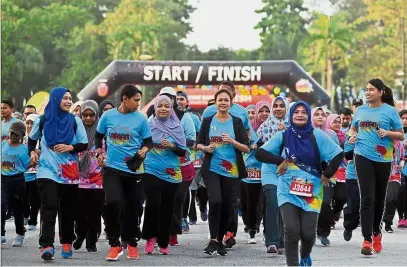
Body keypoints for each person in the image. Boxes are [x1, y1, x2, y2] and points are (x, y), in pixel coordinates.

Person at [255, 101, 342, 266]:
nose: (300, 115)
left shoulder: (318, 135)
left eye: (304, 112)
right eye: (296, 112)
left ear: (309, 115)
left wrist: (327, 174)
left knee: (308, 234)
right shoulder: (284, 135)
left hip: (312, 191)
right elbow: (260, 153)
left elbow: (338, 154)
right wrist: (279, 160)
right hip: (287, 189)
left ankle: (305, 255)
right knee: (291, 230)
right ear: (291, 115)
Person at [28, 87, 88, 260]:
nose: (69, 101)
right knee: (49, 206)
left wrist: (70, 147)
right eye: (65, 98)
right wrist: (32, 152)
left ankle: (67, 241)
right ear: (55, 99)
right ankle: (46, 245)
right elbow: (32, 141)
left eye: (70, 98)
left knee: (68, 210)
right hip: (47, 171)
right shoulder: (43, 119)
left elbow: (83, 144)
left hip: (69, 173)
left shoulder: (75, 121)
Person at [95, 85, 152, 261]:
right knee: (112, 203)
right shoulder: (108, 116)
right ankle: (114, 244)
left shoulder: (141, 119)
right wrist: (99, 151)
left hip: (133, 170)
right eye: (135, 100)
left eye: (139, 100)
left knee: (131, 209)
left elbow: (149, 141)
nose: (138, 103)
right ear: (124, 99)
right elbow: (99, 136)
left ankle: (132, 243)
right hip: (111, 168)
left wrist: (144, 150)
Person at [349, 78, 403, 255]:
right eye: (366, 89)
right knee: (367, 197)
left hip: (383, 158)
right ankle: (366, 240)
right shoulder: (360, 111)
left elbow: (401, 135)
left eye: (371, 89)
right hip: (362, 155)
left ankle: (376, 233)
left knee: (379, 199)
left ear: (380, 92)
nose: (367, 92)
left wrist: (387, 133)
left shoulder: (390, 111)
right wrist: (352, 136)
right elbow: (353, 128)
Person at [197, 88, 250, 256]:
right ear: (215, 102)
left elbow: (247, 147)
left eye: (226, 100)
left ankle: (219, 240)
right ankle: (213, 239)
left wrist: (232, 141)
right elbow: (197, 144)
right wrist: (206, 148)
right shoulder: (207, 120)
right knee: (216, 201)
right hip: (212, 168)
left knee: (227, 206)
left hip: (232, 171)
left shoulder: (236, 122)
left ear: (231, 103)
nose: (223, 103)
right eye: (220, 100)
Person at [142, 95, 187, 255]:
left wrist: (173, 146)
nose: (163, 109)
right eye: (160, 106)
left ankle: (163, 242)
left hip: (171, 173)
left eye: (166, 106)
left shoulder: (177, 126)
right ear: (155, 108)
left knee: (167, 207)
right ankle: (150, 237)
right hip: (151, 170)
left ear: (171, 109)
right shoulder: (148, 125)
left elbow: (183, 151)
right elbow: (142, 144)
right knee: (153, 204)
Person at [255, 96, 290, 254]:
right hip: (269, 170)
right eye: (275, 106)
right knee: (272, 203)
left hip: (288, 172)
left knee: (284, 205)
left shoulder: (295, 126)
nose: (277, 108)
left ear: (287, 108)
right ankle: (272, 241)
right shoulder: (264, 127)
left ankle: (283, 240)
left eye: (281, 106)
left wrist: (286, 133)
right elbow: (259, 151)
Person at [72, 100, 104, 253]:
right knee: (79, 212)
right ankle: (80, 235)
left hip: (98, 179)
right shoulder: (76, 131)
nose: (89, 118)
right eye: (85, 115)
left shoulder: (102, 133)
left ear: (97, 115)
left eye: (92, 115)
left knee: (94, 213)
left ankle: (91, 241)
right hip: (78, 179)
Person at [240, 101, 270, 244]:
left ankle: (267, 231)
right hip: (250, 170)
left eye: (267, 110)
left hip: (269, 170)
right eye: (261, 111)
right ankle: (251, 228)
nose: (264, 113)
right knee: (250, 203)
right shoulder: (248, 129)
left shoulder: (274, 128)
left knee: (266, 203)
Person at [1, 121, 32, 246]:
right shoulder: (2, 145)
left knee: (17, 209)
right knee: (1, 205)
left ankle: (20, 234)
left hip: (18, 180)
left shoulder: (24, 149)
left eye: (16, 134)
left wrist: (32, 163)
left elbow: (28, 164)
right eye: (12, 133)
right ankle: (2, 234)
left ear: (22, 135)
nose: (13, 136)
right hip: (3, 179)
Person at [382, 139, 404, 233]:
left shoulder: (399, 145)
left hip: (394, 175)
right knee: (380, 199)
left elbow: (402, 158)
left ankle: (388, 222)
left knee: (392, 198)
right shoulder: (380, 141)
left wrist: (401, 164)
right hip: (380, 175)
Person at [23, 114, 41, 231]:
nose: (29, 126)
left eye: (32, 123)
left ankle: (33, 220)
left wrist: (38, 151)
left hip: (37, 174)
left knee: (35, 199)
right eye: (28, 123)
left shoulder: (41, 138)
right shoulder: (21, 137)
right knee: (23, 198)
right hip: (23, 173)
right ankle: (25, 214)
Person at [398, 109, 407, 228]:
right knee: (400, 193)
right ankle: (401, 217)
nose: (404, 121)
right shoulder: (395, 132)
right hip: (399, 168)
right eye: (403, 118)